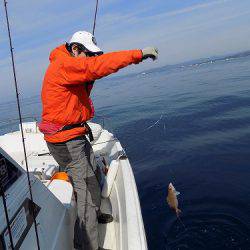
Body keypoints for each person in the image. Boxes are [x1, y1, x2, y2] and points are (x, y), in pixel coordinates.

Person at [39, 30, 158, 250]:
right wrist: (138, 54)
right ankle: (87, 245)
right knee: (84, 194)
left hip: (74, 135)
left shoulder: (68, 63)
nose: (91, 59)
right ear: (75, 49)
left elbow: (87, 74)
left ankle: (95, 215)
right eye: (89, 55)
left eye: (94, 55)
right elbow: (97, 67)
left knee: (93, 176)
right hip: (67, 142)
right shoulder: (64, 65)